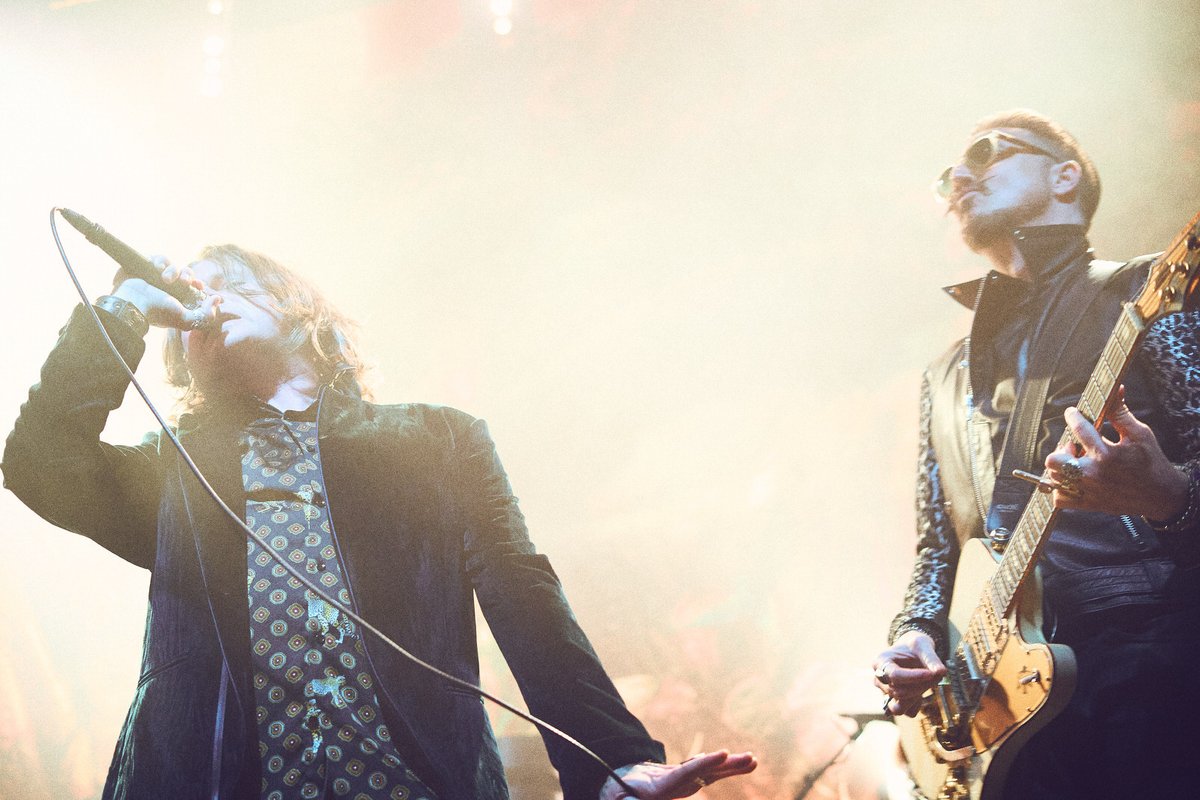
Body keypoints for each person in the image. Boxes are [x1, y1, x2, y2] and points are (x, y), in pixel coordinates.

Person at [2, 243, 756, 800]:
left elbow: (525, 597)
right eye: (189, 295)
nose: (204, 295)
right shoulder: (176, 472)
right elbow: (36, 463)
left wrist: (612, 760)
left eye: (228, 279)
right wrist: (126, 309)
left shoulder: (436, 440)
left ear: (299, 307)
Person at [872, 109, 1200, 799]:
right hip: (999, 708)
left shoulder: (1144, 291)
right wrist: (917, 632)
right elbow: (939, 545)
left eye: (986, 153)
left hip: (1145, 658)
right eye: (948, 177)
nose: (961, 178)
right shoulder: (944, 375)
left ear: (1065, 176)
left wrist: (1171, 495)